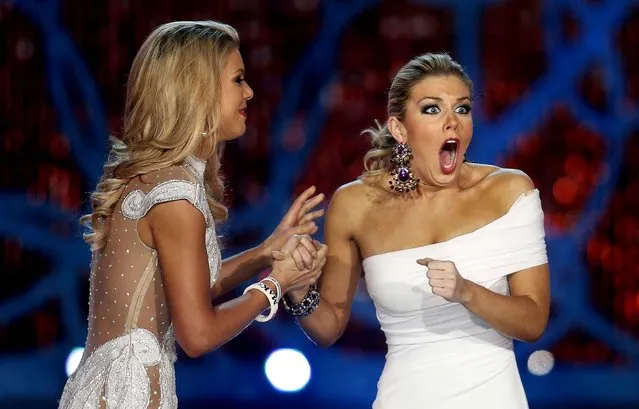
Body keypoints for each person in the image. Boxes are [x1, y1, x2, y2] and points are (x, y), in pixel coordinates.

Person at [58, 21, 327, 409]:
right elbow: (198, 334)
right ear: (197, 90)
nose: (249, 92)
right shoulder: (175, 199)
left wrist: (266, 252)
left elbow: (187, 290)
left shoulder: (157, 181)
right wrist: (276, 285)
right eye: (238, 80)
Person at [282, 53, 550, 408]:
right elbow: (328, 327)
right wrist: (299, 292)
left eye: (463, 108)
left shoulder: (511, 191)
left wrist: (466, 291)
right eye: (432, 109)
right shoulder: (355, 204)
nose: (452, 122)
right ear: (399, 129)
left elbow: (532, 321)